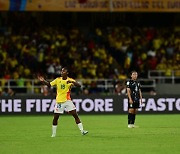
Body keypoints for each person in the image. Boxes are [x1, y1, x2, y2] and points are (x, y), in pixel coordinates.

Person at [38, 67, 88, 137]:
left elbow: (79, 85)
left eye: (63, 71)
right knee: (56, 118)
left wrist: (72, 82)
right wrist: (43, 81)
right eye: (61, 71)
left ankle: (82, 131)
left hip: (68, 101)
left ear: (67, 73)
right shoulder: (58, 80)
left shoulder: (70, 80)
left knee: (75, 115)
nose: (62, 72)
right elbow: (49, 84)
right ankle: (53, 134)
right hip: (59, 101)